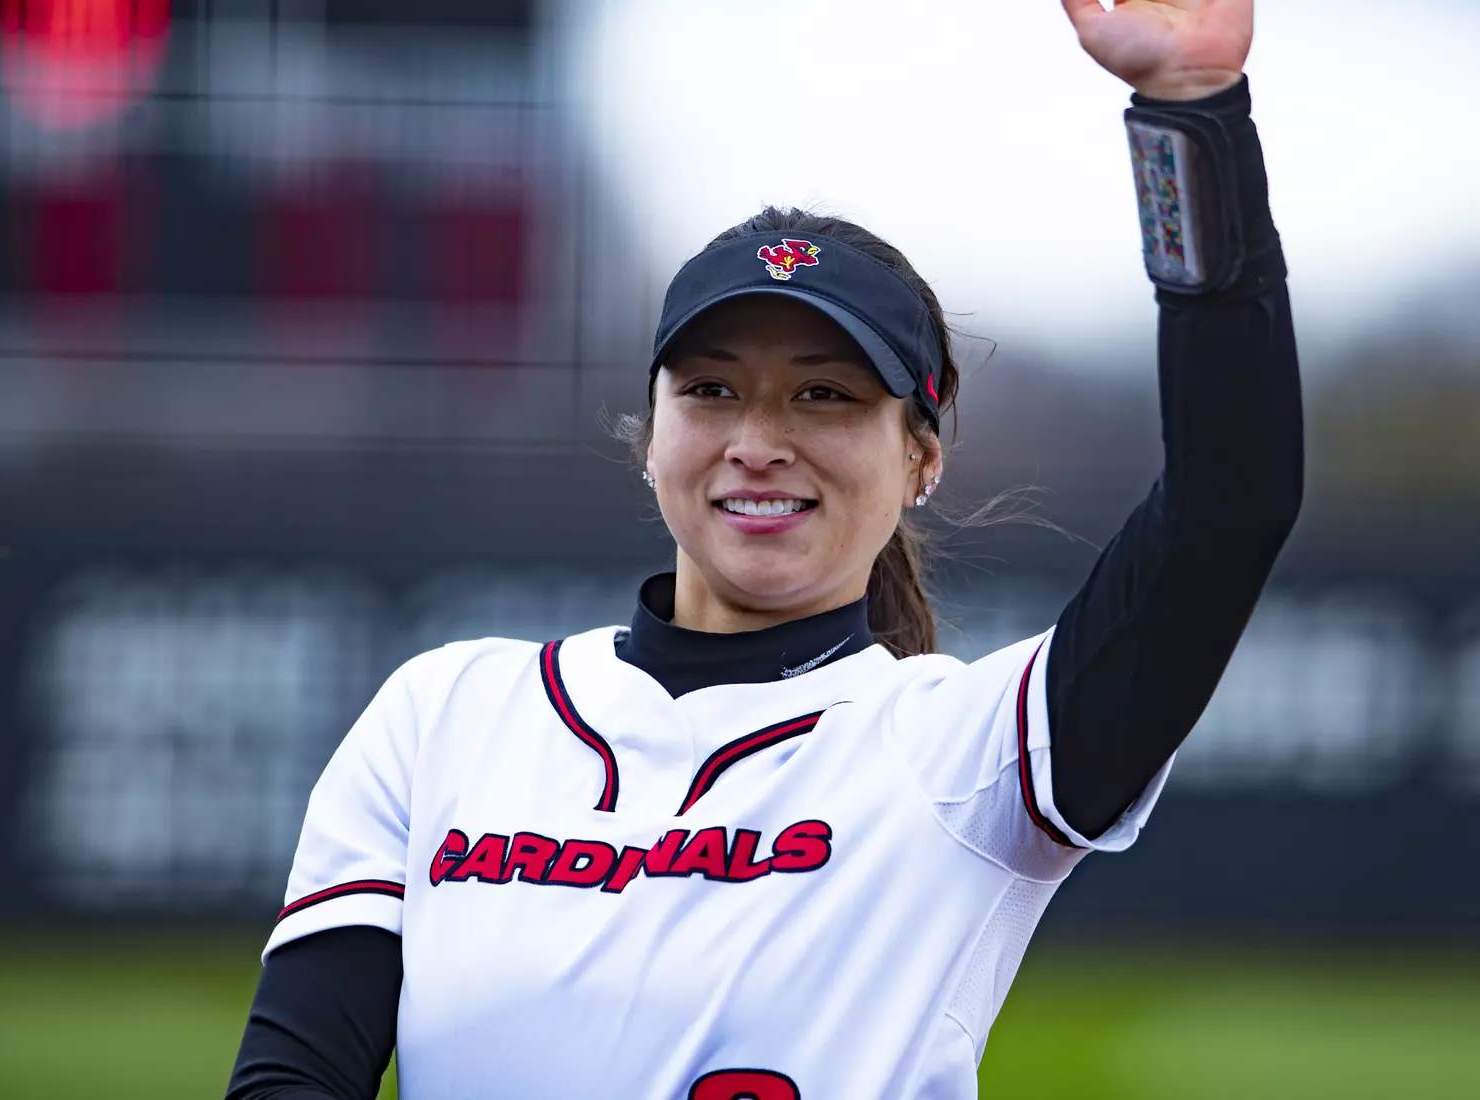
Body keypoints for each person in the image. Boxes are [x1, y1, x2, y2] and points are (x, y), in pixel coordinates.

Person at [227, 1, 1300, 1096]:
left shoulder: (964, 754)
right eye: (712, 389)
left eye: (825, 396)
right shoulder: (444, 715)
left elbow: (1232, 500)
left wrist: (1191, 112)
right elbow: (290, 1076)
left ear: (922, 456)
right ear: (651, 437)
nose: (758, 442)